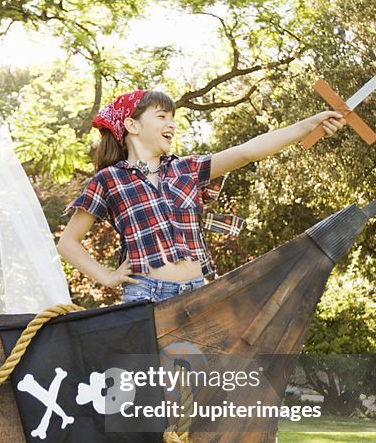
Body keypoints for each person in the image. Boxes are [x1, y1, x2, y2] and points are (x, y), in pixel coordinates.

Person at [57, 89, 345, 303]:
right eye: (161, 117)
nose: (171, 124)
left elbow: (246, 152)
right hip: (147, 295)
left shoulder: (187, 169)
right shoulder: (110, 180)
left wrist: (308, 125)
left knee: (200, 381)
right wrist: (107, 277)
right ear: (132, 126)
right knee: (155, 383)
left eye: (173, 118)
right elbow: (68, 243)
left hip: (198, 290)